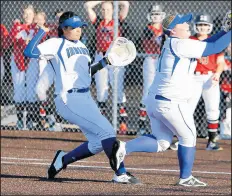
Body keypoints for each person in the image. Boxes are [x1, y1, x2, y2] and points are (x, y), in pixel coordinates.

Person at [109, 13, 231, 187]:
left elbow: (208, 44)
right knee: (188, 137)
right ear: (173, 30)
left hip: (155, 101)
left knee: (162, 142)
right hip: (171, 102)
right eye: (182, 23)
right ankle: (185, 178)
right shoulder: (180, 43)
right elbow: (214, 47)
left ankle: (123, 148)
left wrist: (224, 30)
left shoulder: (175, 42)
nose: (187, 24)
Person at [24, 11, 140, 184]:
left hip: (85, 97)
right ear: (64, 29)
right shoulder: (56, 43)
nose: (79, 30)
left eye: (80, 27)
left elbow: (85, 73)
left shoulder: (83, 46)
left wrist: (104, 63)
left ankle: (61, 160)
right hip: (68, 99)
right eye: (74, 27)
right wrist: (42, 31)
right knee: (107, 131)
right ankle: (120, 173)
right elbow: (29, 51)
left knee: (97, 142)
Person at [84, 1, 130, 133]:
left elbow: (126, 4)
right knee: (101, 89)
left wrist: (114, 2)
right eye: (103, 10)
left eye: (108, 9)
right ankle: (102, 123)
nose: (105, 12)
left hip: (115, 58)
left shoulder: (118, 21)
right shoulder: (98, 21)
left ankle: (122, 122)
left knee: (117, 88)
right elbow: (87, 5)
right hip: (100, 57)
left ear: (114, 10)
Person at [187, 14, 226, 151]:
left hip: (209, 77)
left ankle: (212, 141)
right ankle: (184, 139)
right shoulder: (190, 40)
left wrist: (217, 73)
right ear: (195, 26)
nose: (202, 27)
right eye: (200, 25)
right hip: (193, 77)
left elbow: (220, 62)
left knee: (213, 108)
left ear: (210, 27)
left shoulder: (214, 41)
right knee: (187, 108)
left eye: (205, 25)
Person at [7, 5, 46, 130]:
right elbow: (9, 42)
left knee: (31, 90)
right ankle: (19, 120)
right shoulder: (18, 27)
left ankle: (30, 120)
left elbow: (43, 39)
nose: (27, 16)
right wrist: (16, 28)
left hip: (32, 60)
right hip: (18, 59)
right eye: (25, 13)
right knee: (18, 90)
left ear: (34, 15)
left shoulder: (36, 28)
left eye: (30, 13)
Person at [137, 4, 165, 135]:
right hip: (151, 60)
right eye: (153, 14)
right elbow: (154, 43)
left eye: (158, 14)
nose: (156, 17)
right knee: (148, 90)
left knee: (162, 91)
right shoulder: (147, 29)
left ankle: (161, 125)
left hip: (163, 61)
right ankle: (141, 125)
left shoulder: (166, 29)